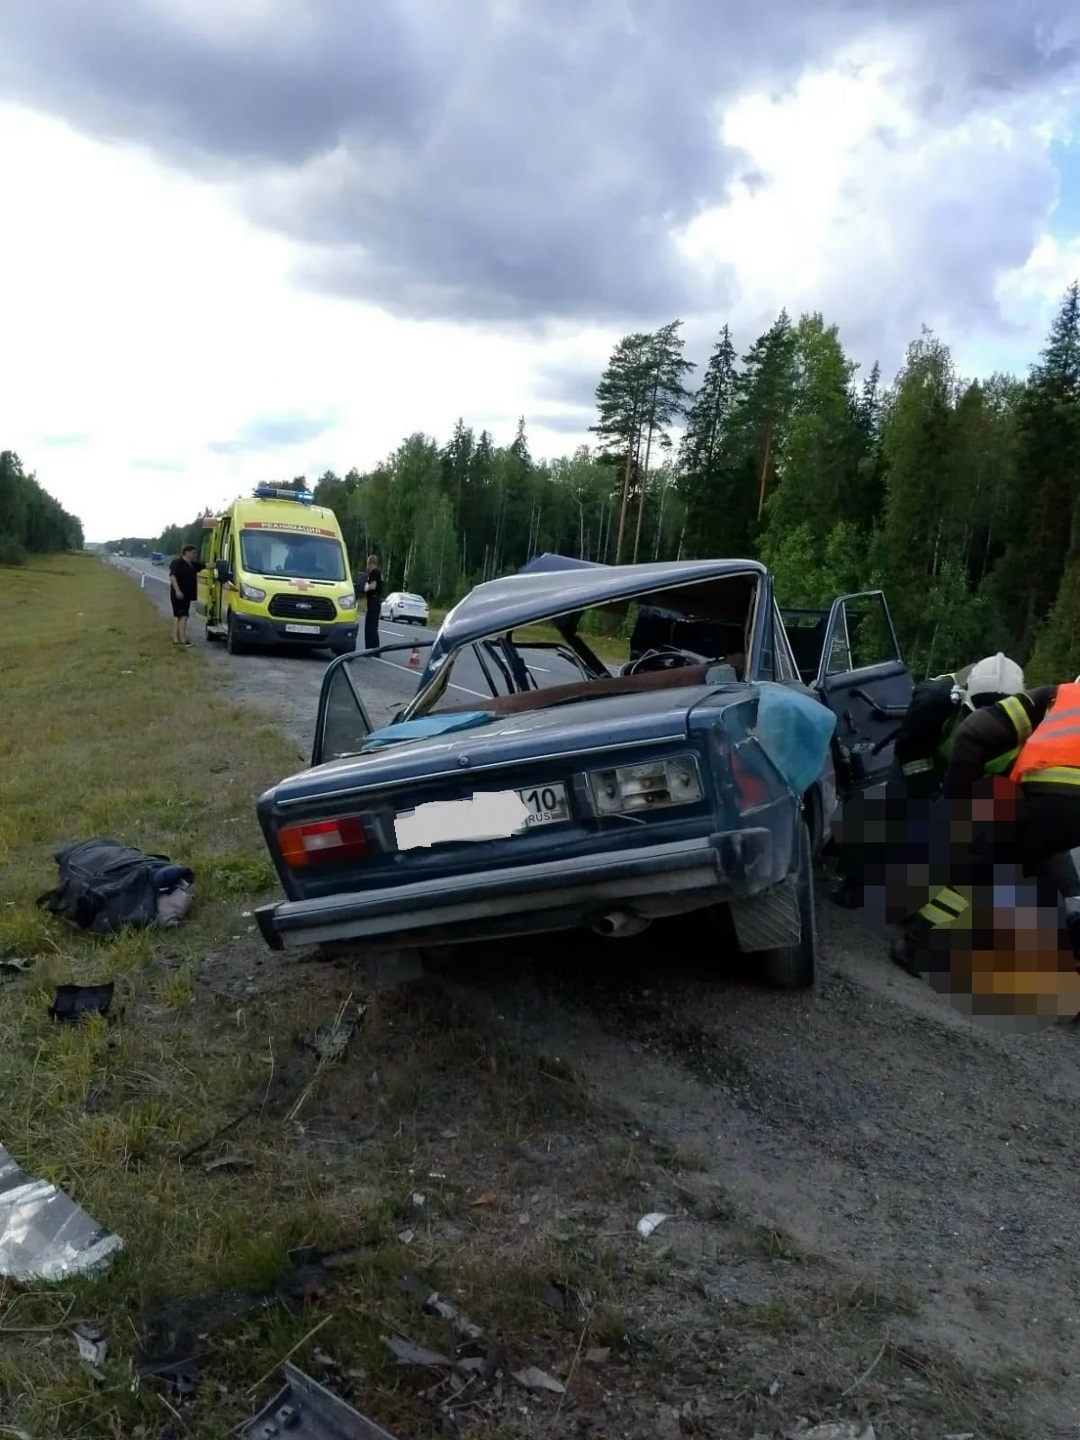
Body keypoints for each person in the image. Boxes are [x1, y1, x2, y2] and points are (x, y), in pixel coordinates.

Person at [832, 653, 1026, 915]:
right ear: (963, 697)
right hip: (923, 759)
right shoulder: (933, 699)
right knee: (898, 814)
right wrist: (930, 790)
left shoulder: (1023, 722)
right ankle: (858, 885)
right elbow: (909, 750)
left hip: (974, 773)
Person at [168, 545, 204, 648]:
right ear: (186, 552)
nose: (195, 555)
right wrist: (177, 590)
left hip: (187, 595)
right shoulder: (177, 563)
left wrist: (218, 564)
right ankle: (183, 640)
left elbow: (206, 566)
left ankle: (176, 638)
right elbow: (172, 576)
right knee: (182, 616)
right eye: (193, 553)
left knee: (179, 616)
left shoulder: (193, 564)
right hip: (178, 594)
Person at [362, 553, 382, 651]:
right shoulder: (378, 573)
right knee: (373, 626)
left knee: (370, 626)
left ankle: (371, 649)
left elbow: (373, 585)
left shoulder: (374, 572)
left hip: (373, 601)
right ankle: (373, 648)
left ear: (370, 563)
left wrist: (367, 587)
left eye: (367, 563)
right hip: (375, 601)